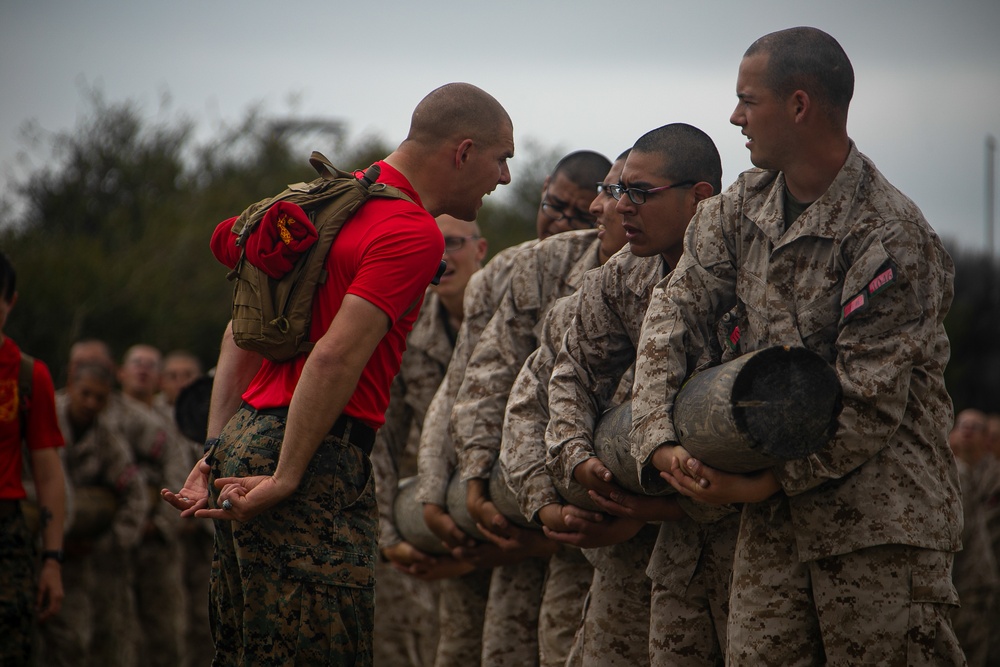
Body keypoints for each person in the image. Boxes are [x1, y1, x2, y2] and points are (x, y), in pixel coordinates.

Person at [635, 27, 965, 664]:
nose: (735, 117)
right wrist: (658, 437)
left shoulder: (888, 234)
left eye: (747, 100)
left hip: (877, 528)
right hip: (772, 530)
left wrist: (764, 483)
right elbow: (672, 312)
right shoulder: (739, 210)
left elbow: (869, 401)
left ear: (799, 105)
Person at [163, 82, 514, 666]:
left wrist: (215, 450)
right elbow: (334, 356)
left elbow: (241, 332)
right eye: (501, 158)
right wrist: (287, 475)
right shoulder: (410, 230)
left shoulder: (316, 209)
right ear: (463, 151)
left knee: (246, 648)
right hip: (315, 452)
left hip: (247, 436)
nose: (503, 177)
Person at [540, 123, 739, 666]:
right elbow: (572, 372)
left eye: (640, 193)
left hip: (753, 532)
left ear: (700, 196)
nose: (620, 207)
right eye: (618, 190)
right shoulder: (619, 277)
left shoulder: (750, 266)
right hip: (664, 544)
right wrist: (575, 457)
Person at [413, 150, 610, 667]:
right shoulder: (509, 272)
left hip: (586, 508)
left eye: (581, 215)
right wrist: (445, 489)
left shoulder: (615, 271)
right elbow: (467, 383)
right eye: (554, 205)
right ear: (543, 189)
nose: (561, 222)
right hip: (509, 497)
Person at [371, 214, 487, 667]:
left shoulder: (511, 316)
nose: (443, 257)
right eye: (433, 246)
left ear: (480, 250)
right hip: (437, 523)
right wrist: (388, 534)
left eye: (454, 243)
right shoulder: (409, 328)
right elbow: (382, 433)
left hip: (510, 519)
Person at [41, 360, 149, 667]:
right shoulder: (44, 418)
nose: (90, 403)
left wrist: (106, 544)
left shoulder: (107, 439)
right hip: (36, 547)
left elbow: (136, 496)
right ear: (70, 386)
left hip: (85, 559)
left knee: (80, 641)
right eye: (85, 393)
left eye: (99, 398)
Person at [0, 250, 67, 665]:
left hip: (6, 534)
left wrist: (52, 560)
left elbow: (48, 474)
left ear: (11, 302)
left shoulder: (27, 374)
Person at [119, 343, 190, 667]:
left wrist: (161, 523)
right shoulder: (106, 412)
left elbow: (178, 472)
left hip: (159, 539)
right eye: (136, 363)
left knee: (164, 632)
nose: (143, 369)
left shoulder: (171, 420)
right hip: (114, 540)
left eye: (150, 365)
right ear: (122, 372)